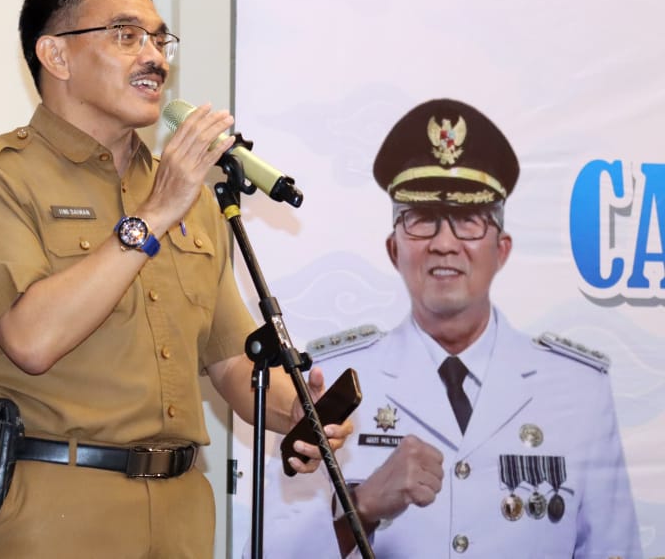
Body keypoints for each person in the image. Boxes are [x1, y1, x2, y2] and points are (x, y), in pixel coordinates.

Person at [0, 0, 349, 558]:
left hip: (181, 516)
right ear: (56, 55)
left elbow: (232, 360)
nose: (155, 57)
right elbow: (31, 338)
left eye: (160, 39)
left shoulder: (187, 196)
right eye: (127, 36)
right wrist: (153, 216)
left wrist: (301, 412)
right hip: (52, 513)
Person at [258, 99, 641, 558]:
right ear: (394, 249)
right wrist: (363, 506)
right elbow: (270, 554)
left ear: (502, 248)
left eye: (468, 220)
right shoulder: (329, 384)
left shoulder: (578, 389)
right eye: (421, 220)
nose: (444, 243)